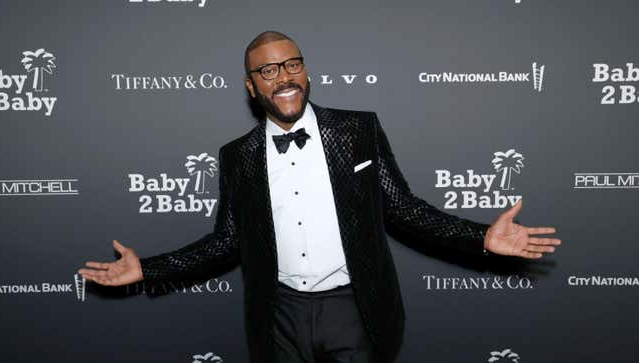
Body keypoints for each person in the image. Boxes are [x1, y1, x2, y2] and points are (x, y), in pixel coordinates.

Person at [78, 31, 562, 363]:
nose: (283, 76)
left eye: (292, 64)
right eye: (267, 71)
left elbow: (403, 209)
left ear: (306, 71)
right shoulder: (237, 155)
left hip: (355, 307)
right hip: (280, 313)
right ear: (251, 87)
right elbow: (226, 241)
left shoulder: (357, 130)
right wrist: (151, 269)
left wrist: (481, 238)